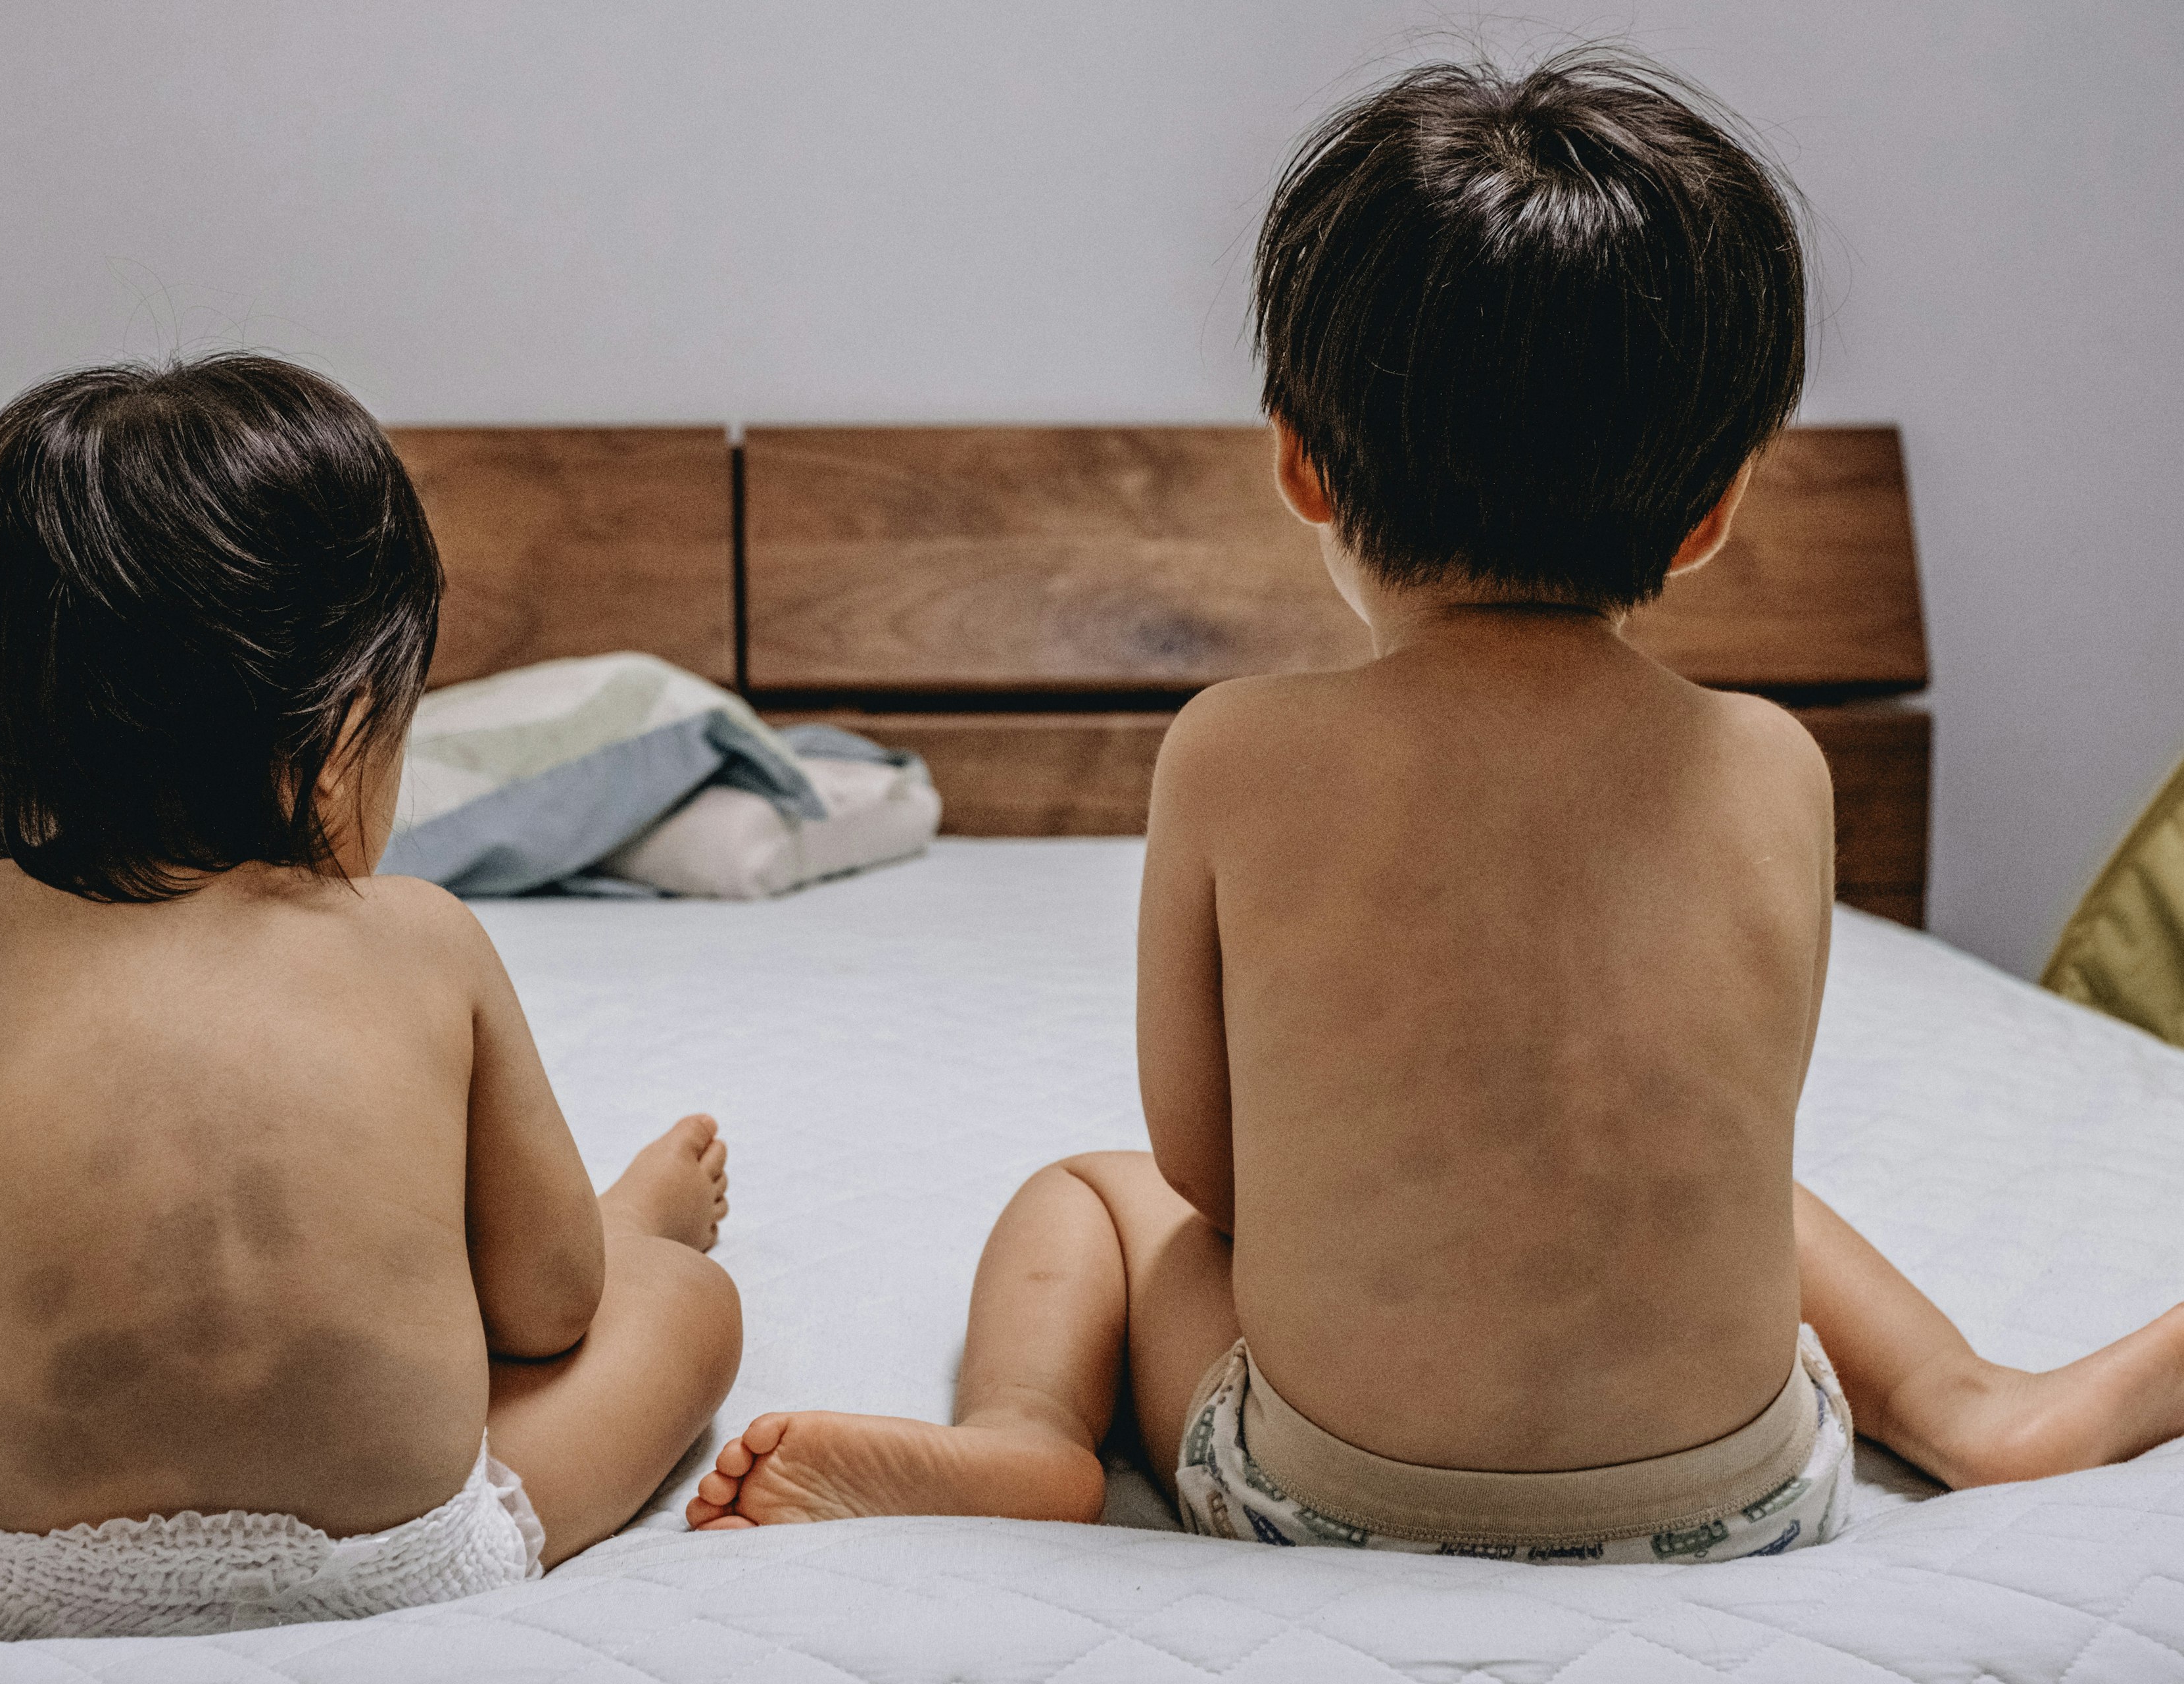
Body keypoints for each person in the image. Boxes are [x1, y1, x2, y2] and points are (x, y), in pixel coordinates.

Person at [686, 51, 2184, 1562]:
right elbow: (1751, 1095)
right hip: (1747, 1488)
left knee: (1093, 1195)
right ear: (1716, 506)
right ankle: (1975, 1400)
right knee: (1743, 1183)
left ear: (1300, 462)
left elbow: (1209, 1175)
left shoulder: (1232, 751)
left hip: (1331, 1483)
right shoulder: (1774, 763)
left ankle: (1025, 1435)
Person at [0, 355, 742, 1636]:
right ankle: (646, 1224)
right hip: (410, 1558)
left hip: (2, 1582)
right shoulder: (425, 939)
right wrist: (621, 1239)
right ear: (350, 721)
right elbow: (549, 1305)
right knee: (682, 1302)